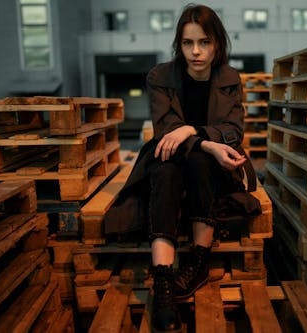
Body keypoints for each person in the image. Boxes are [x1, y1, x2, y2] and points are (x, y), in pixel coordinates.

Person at [105, 3, 260, 332]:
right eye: (188, 43)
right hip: (173, 159)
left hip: (213, 167)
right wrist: (201, 138)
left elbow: (234, 130)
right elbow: (166, 129)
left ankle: (199, 262)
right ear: (179, 45)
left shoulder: (229, 78)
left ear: (217, 43)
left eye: (204, 42)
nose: (196, 51)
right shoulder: (160, 76)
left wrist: (193, 131)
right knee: (165, 166)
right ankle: (163, 283)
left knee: (200, 159)